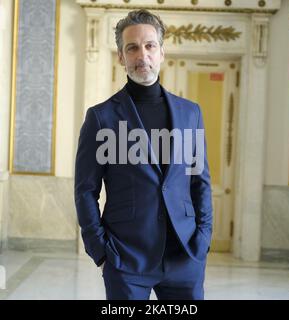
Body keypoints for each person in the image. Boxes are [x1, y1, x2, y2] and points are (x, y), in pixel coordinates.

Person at [74, 9, 213, 300]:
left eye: (150, 46)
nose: (142, 55)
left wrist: (202, 239)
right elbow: (85, 189)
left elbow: (200, 181)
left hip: (184, 256)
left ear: (162, 52)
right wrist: (99, 249)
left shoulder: (190, 113)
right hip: (126, 258)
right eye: (132, 47)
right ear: (121, 57)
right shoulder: (101, 118)